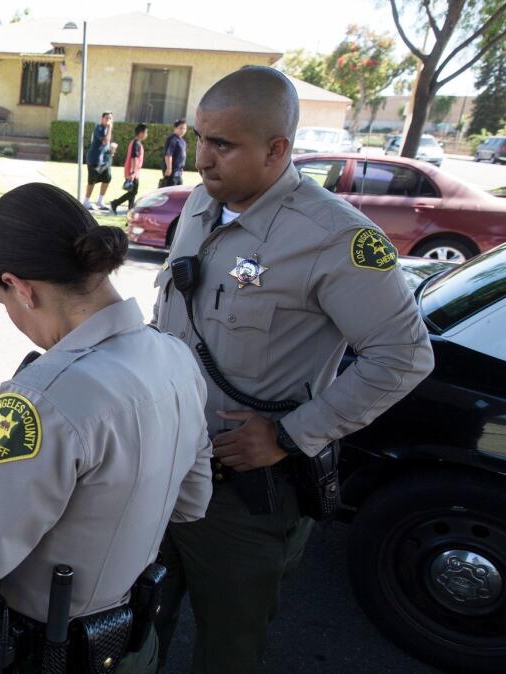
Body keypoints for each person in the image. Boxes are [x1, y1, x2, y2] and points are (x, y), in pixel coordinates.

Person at [151, 66, 434, 674]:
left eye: (221, 145)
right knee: (136, 630)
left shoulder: (335, 239)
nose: (201, 159)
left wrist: (288, 435)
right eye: (200, 138)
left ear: (277, 149)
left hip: (242, 496)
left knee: (229, 647)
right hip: (160, 469)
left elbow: (404, 355)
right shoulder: (204, 203)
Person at [0, 182, 214, 674]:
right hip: (132, 647)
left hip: (47, 657)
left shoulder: (42, 401)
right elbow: (192, 504)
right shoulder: (174, 357)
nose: (13, 318)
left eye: (4, 303)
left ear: (22, 288)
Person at [109, 124, 147, 215]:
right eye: (145, 132)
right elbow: (134, 157)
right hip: (133, 172)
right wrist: (133, 172)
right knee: (134, 191)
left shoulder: (134, 142)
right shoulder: (136, 143)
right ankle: (115, 203)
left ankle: (130, 210)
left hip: (132, 171)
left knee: (131, 191)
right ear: (141, 133)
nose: (146, 135)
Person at [82, 112, 114, 210]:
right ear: (102, 118)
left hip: (104, 161)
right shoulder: (99, 128)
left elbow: (106, 145)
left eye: (110, 118)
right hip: (94, 159)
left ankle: (100, 201)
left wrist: (112, 150)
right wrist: (109, 128)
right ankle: (86, 201)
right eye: (107, 118)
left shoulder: (106, 129)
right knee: (92, 181)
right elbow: (105, 141)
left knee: (107, 178)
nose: (108, 120)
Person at [161, 120, 188, 188]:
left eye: (184, 128)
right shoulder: (172, 139)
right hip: (172, 172)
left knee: (179, 191)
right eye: (181, 128)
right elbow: (168, 154)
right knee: (170, 192)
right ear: (175, 128)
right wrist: (169, 168)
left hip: (178, 172)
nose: (183, 130)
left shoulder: (182, 141)